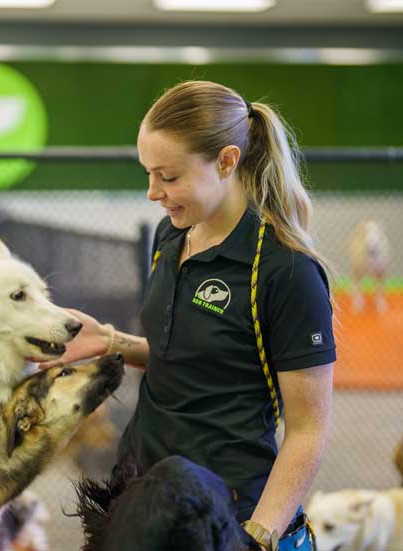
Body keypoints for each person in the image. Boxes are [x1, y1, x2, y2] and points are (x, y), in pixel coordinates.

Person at [41, 81, 335, 551]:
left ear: (226, 160)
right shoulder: (171, 236)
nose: (153, 192)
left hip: (222, 516)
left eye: (169, 177)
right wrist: (113, 342)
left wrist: (256, 538)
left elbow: (308, 429)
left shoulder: (285, 270)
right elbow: (186, 357)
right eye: (148, 174)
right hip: (143, 495)